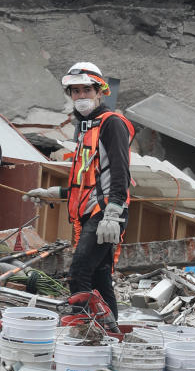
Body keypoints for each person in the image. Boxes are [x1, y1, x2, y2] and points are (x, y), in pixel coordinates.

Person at [26, 62, 132, 318]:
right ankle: (110, 331)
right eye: (75, 91)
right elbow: (85, 181)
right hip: (91, 213)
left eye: (86, 90)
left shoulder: (111, 123)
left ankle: (82, 331)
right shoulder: (86, 127)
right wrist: (52, 192)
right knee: (99, 278)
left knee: (79, 274)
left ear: (99, 91)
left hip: (105, 213)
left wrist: (114, 212)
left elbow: (120, 171)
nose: (81, 96)